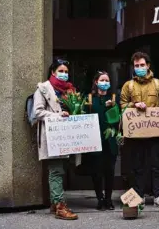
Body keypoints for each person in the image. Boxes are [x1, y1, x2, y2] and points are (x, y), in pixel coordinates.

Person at [120, 52, 159, 208]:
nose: (140, 68)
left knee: (157, 165)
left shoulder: (158, 84)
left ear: (148, 65)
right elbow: (122, 105)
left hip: (155, 133)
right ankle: (139, 196)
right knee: (137, 166)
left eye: (142, 65)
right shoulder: (128, 86)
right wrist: (133, 105)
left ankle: (158, 196)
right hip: (136, 134)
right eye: (137, 66)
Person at [33, 58, 78, 220]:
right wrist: (57, 116)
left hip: (67, 136)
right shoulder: (43, 89)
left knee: (60, 169)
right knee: (56, 170)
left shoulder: (70, 90)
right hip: (53, 136)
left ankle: (55, 203)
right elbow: (37, 112)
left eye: (66, 72)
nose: (64, 74)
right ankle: (59, 206)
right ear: (53, 72)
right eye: (61, 71)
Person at [86, 71, 118, 210]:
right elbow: (84, 117)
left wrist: (113, 107)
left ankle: (109, 199)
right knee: (97, 172)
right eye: (102, 80)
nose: (105, 82)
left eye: (107, 80)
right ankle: (100, 198)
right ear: (96, 82)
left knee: (109, 171)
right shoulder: (89, 98)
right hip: (95, 140)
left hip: (110, 141)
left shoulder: (113, 98)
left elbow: (118, 120)